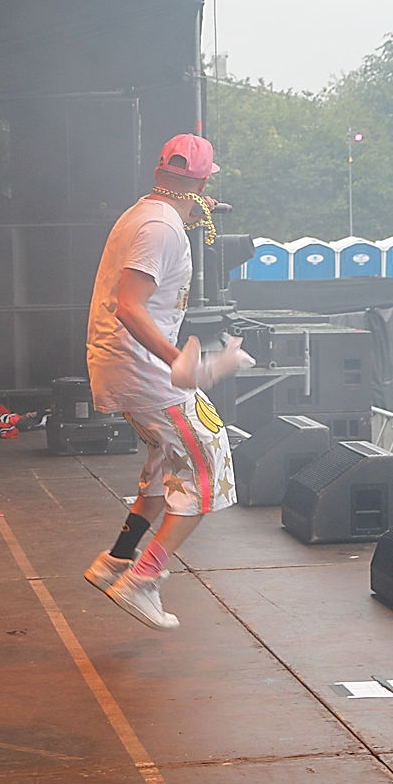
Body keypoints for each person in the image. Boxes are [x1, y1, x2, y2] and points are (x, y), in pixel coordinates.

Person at [82, 133, 253, 630]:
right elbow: (129, 305)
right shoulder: (161, 228)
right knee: (209, 464)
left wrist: (193, 208)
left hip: (134, 369)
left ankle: (117, 558)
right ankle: (142, 579)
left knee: (168, 460)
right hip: (148, 372)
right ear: (196, 184)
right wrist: (182, 363)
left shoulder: (149, 215)